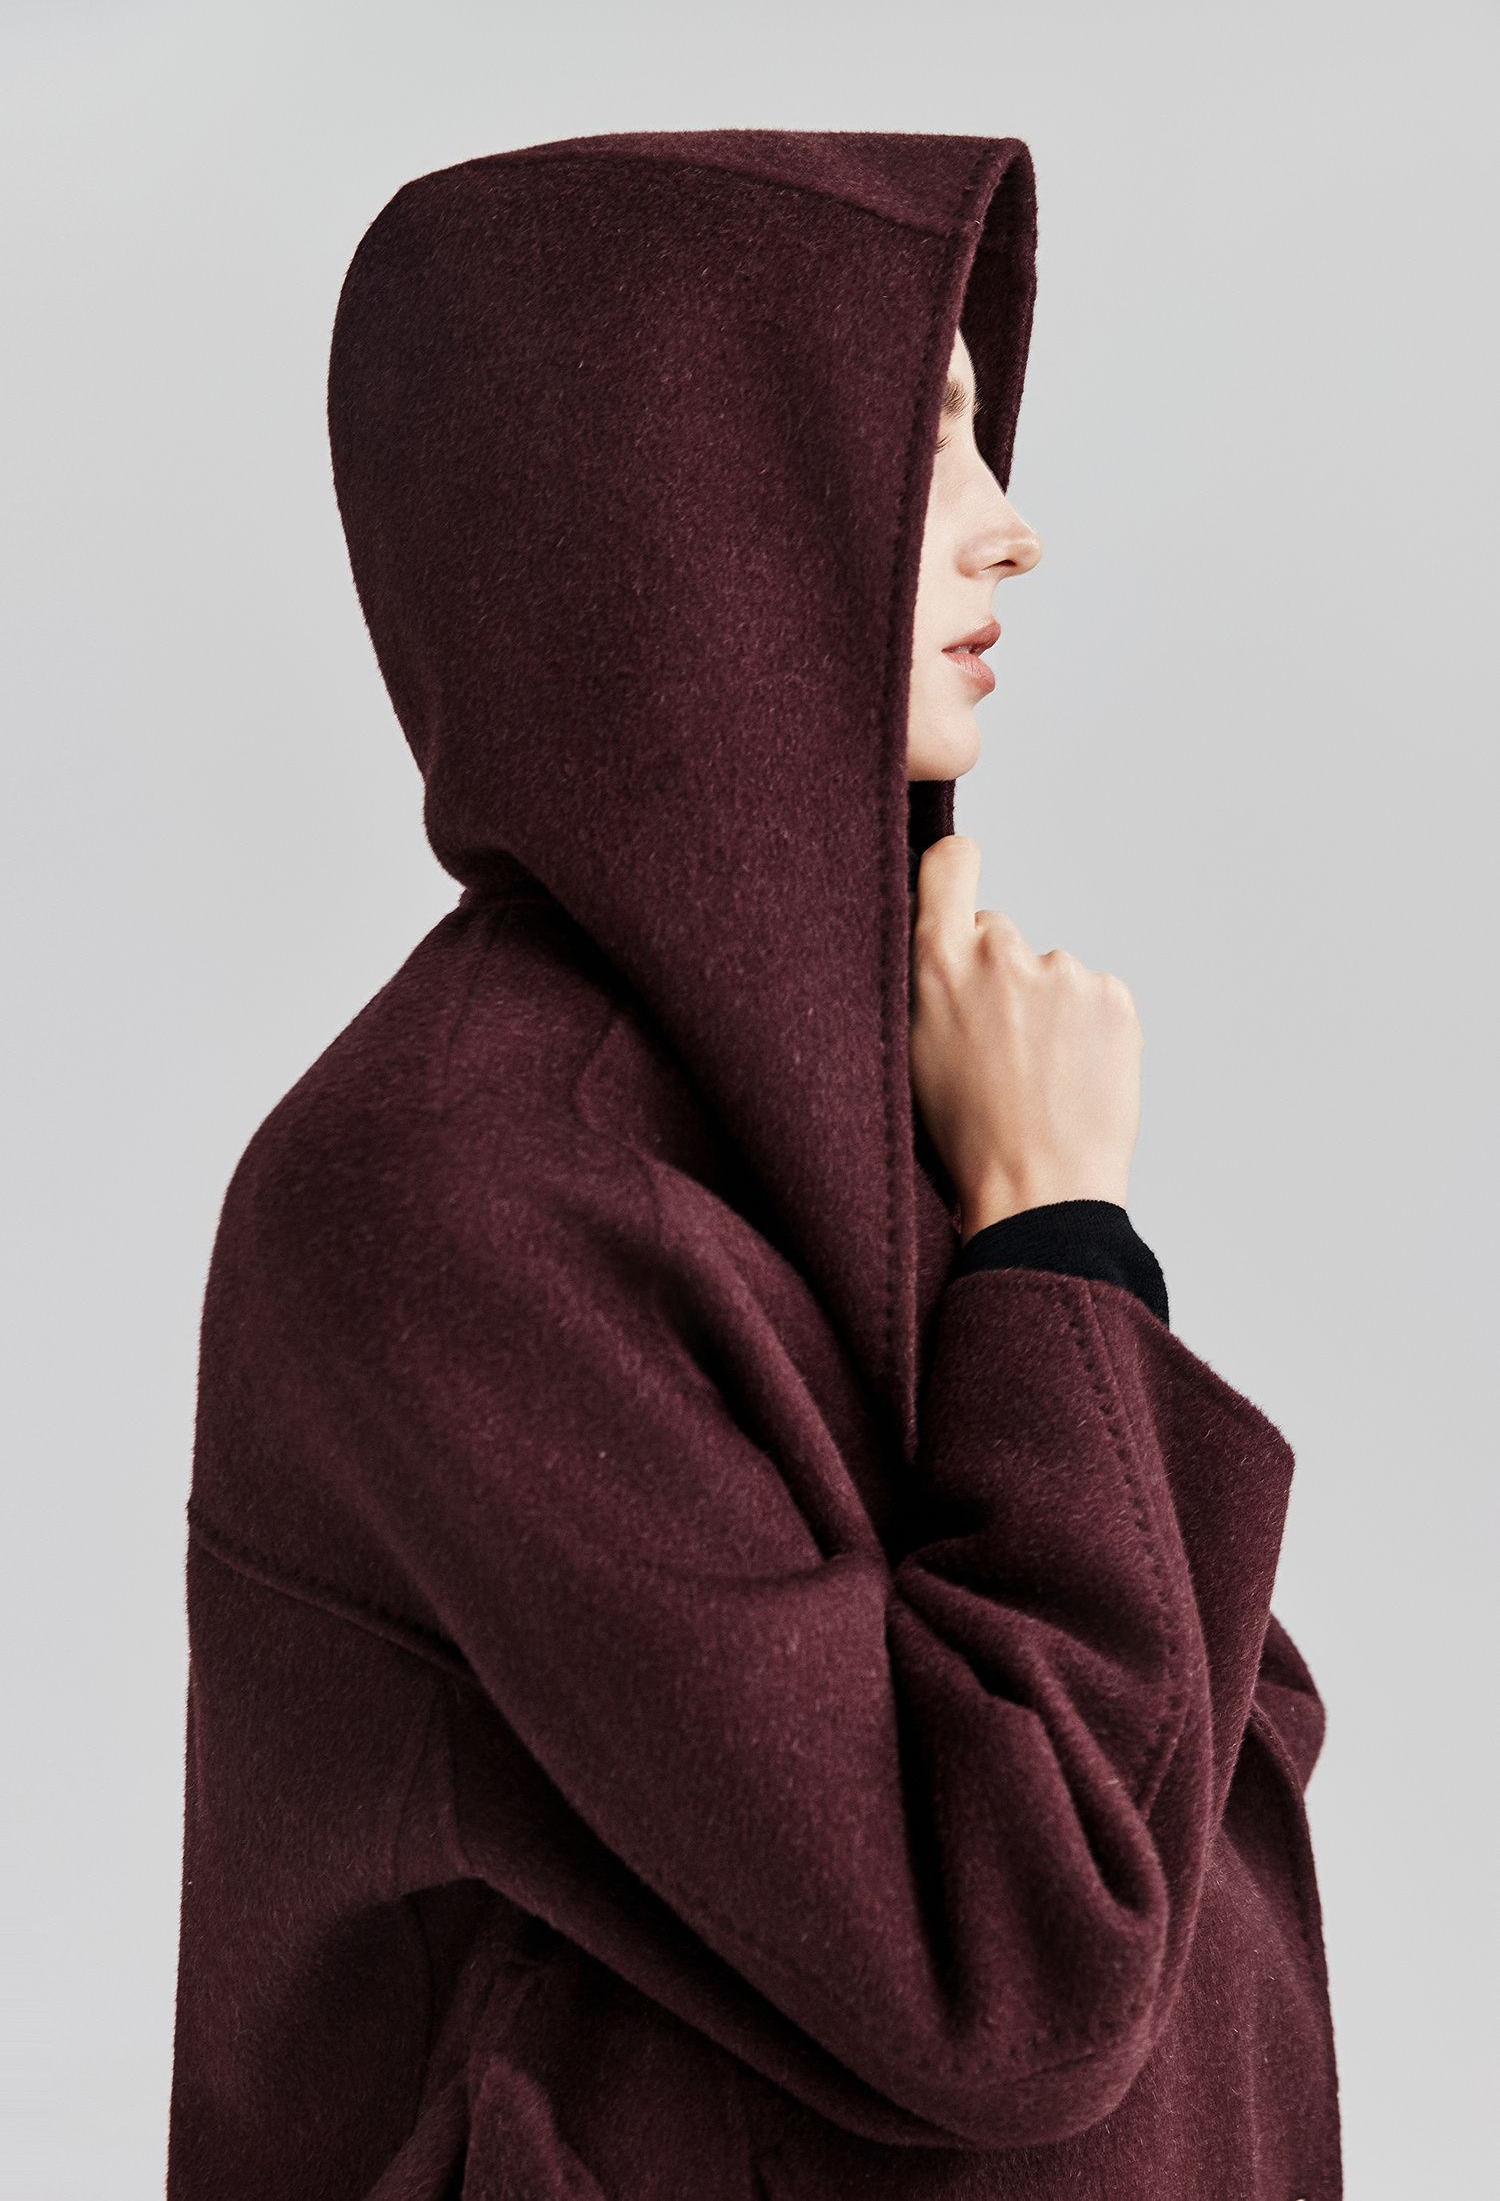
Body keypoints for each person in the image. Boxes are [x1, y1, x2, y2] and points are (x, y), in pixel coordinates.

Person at [168, 129, 1340, 2199]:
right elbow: (1027, 1967)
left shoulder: (838, 1112)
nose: (1011, 531)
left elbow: (1195, 1768)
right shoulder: (440, 1195)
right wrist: (1060, 1236)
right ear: (685, 508)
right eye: (924, 442)